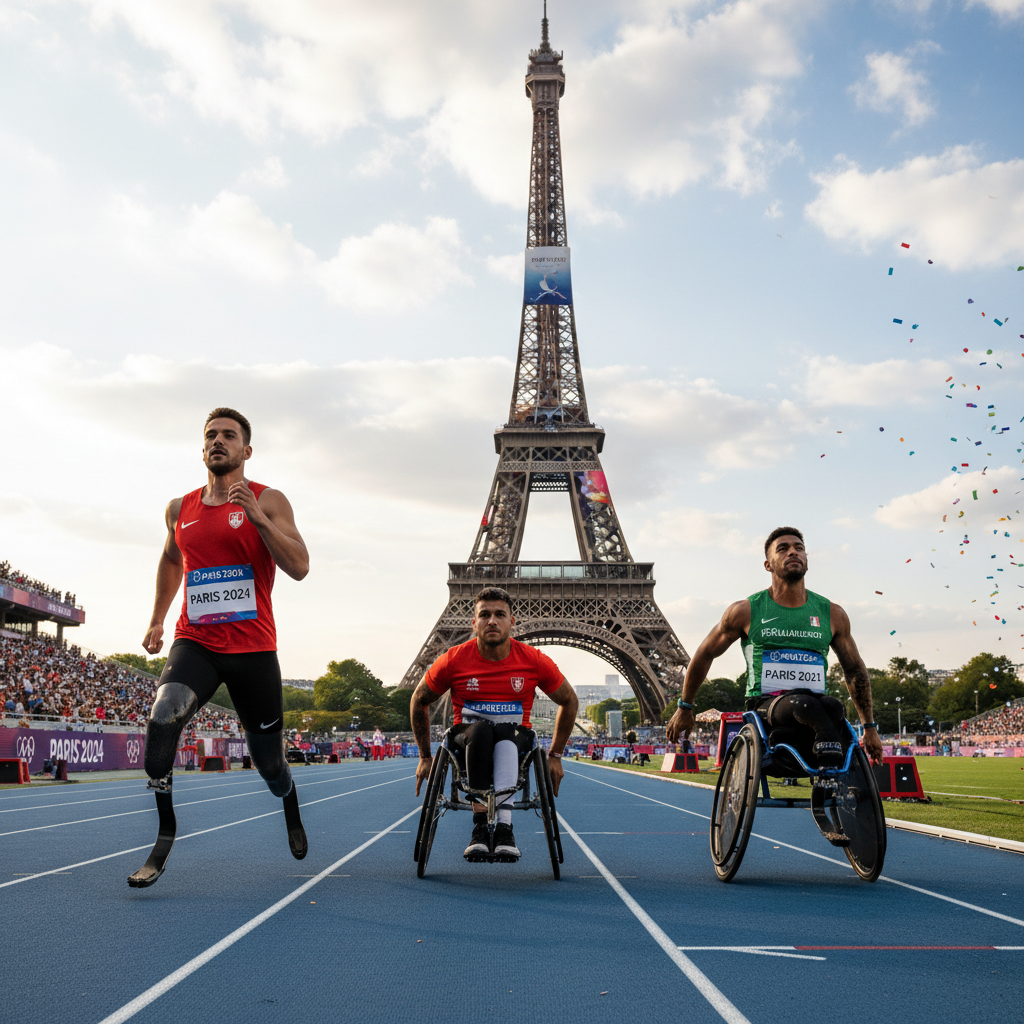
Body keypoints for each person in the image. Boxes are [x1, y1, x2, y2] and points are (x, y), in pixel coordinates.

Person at [128, 407, 311, 888]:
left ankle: (287, 793)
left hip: (253, 649)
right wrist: (157, 618)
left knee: (269, 764)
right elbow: (171, 560)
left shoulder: (268, 498)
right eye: (211, 434)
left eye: (229, 435)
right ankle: (165, 831)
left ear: (246, 451)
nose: (218, 441)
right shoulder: (179, 509)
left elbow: (300, 566)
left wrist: (258, 520)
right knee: (163, 713)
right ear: (202, 446)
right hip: (197, 641)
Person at [667, 527, 883, 766]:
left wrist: (869, 726)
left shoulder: (832, 614)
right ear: (768, 565)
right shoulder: (745, 611)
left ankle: (829, 784)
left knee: (833, 705)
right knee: (807, 704)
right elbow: (705, 653)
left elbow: (854, 670)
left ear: (806, 561)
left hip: (816, 708)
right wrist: (685, 706)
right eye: (783, 549)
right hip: (766, 708)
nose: (793, 552)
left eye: (799, 548)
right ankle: (828, 765)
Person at [410, 587, 579, 861]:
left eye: (500, 614)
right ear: (473, 622)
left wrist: (556, 755)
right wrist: (425, 757)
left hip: (512, 738)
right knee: (481, 731)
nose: (492, 621)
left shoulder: (533, 660)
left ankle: (503, 827)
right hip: (469, 738)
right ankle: (482, 826)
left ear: (512, 621)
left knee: (503, 733)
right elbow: (419, 699)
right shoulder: (454, 659)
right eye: (485, 615)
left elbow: (569, 700)